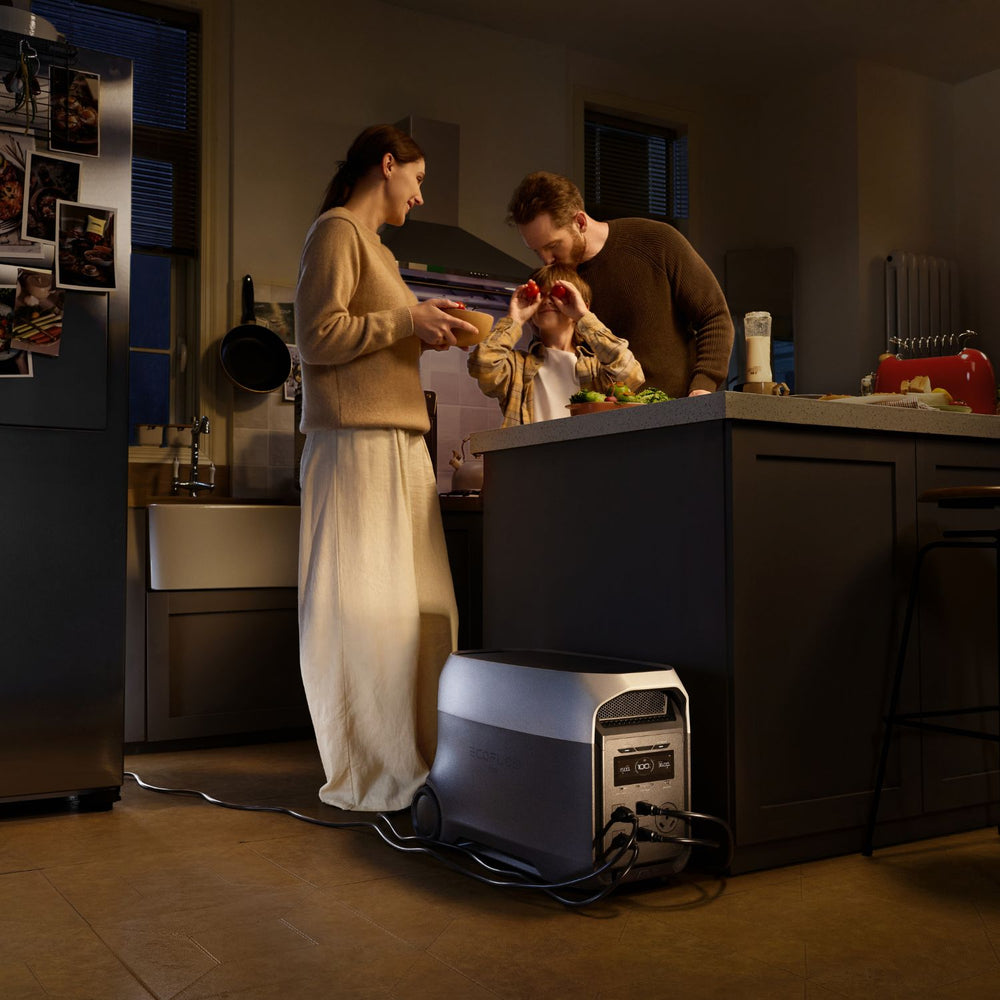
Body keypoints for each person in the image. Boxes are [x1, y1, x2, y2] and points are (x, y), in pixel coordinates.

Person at [294, 124, 475, 812]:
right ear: (388, 165)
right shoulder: (336, 231)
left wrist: (430, 326)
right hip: (356, 447)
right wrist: (407, 322)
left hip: (398, 445)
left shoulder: (380, 251)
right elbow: (316, 337)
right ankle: (370, 767)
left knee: (420, 614)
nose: (421, 196)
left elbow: (372, 340)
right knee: (365, 615)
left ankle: (417, 757)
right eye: (418, 180)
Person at [506, 171, 734, 400]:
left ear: (580, 222)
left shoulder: (656, 241)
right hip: (598, 424)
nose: (546, 259)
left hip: (676, 414)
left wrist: (703, 387)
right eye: (536, 250)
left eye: (553, 245)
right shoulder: (553, 284)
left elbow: (714, 316)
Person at [468, 263, 643, 426]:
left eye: (558, 294)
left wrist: (583, 317)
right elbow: (482, 364)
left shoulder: (597, 369)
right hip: (532, 458)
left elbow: (631, 374)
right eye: (539, 295)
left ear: (582, 304)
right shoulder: (516, 367)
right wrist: (515, 319)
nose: (547, 300)